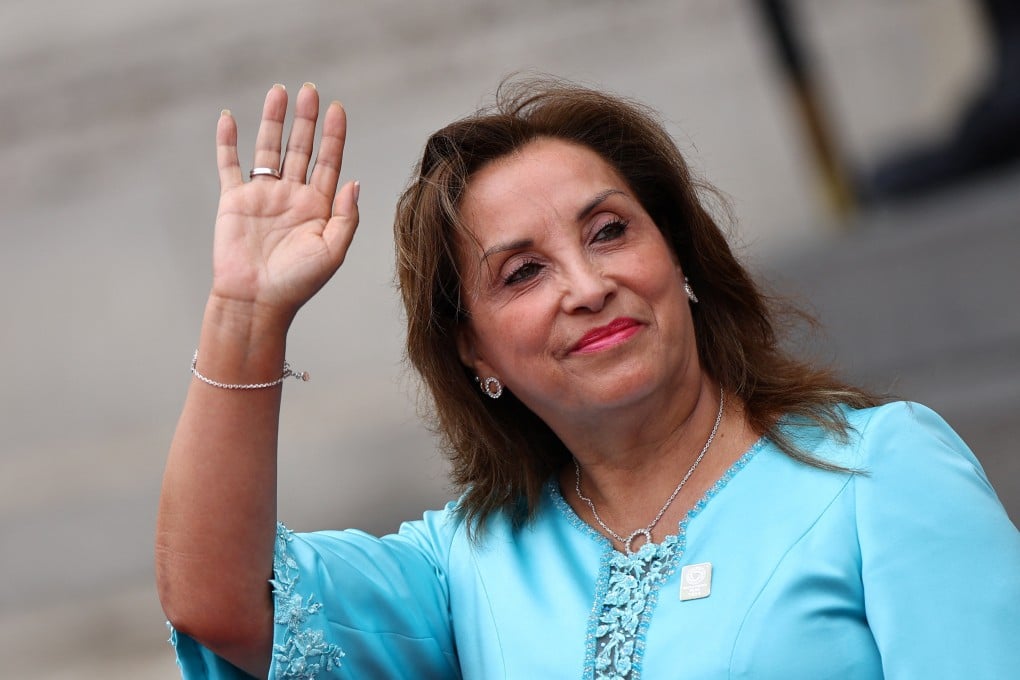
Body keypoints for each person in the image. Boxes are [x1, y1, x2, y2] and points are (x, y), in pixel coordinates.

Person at [156, 79, 1020, 679]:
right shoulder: (468, 563)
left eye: (608, 231)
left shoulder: (880, 472)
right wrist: (245, 313)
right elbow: (220, 604)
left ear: (678, 255)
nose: (587, 283)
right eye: (522, 273)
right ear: (476, 354)